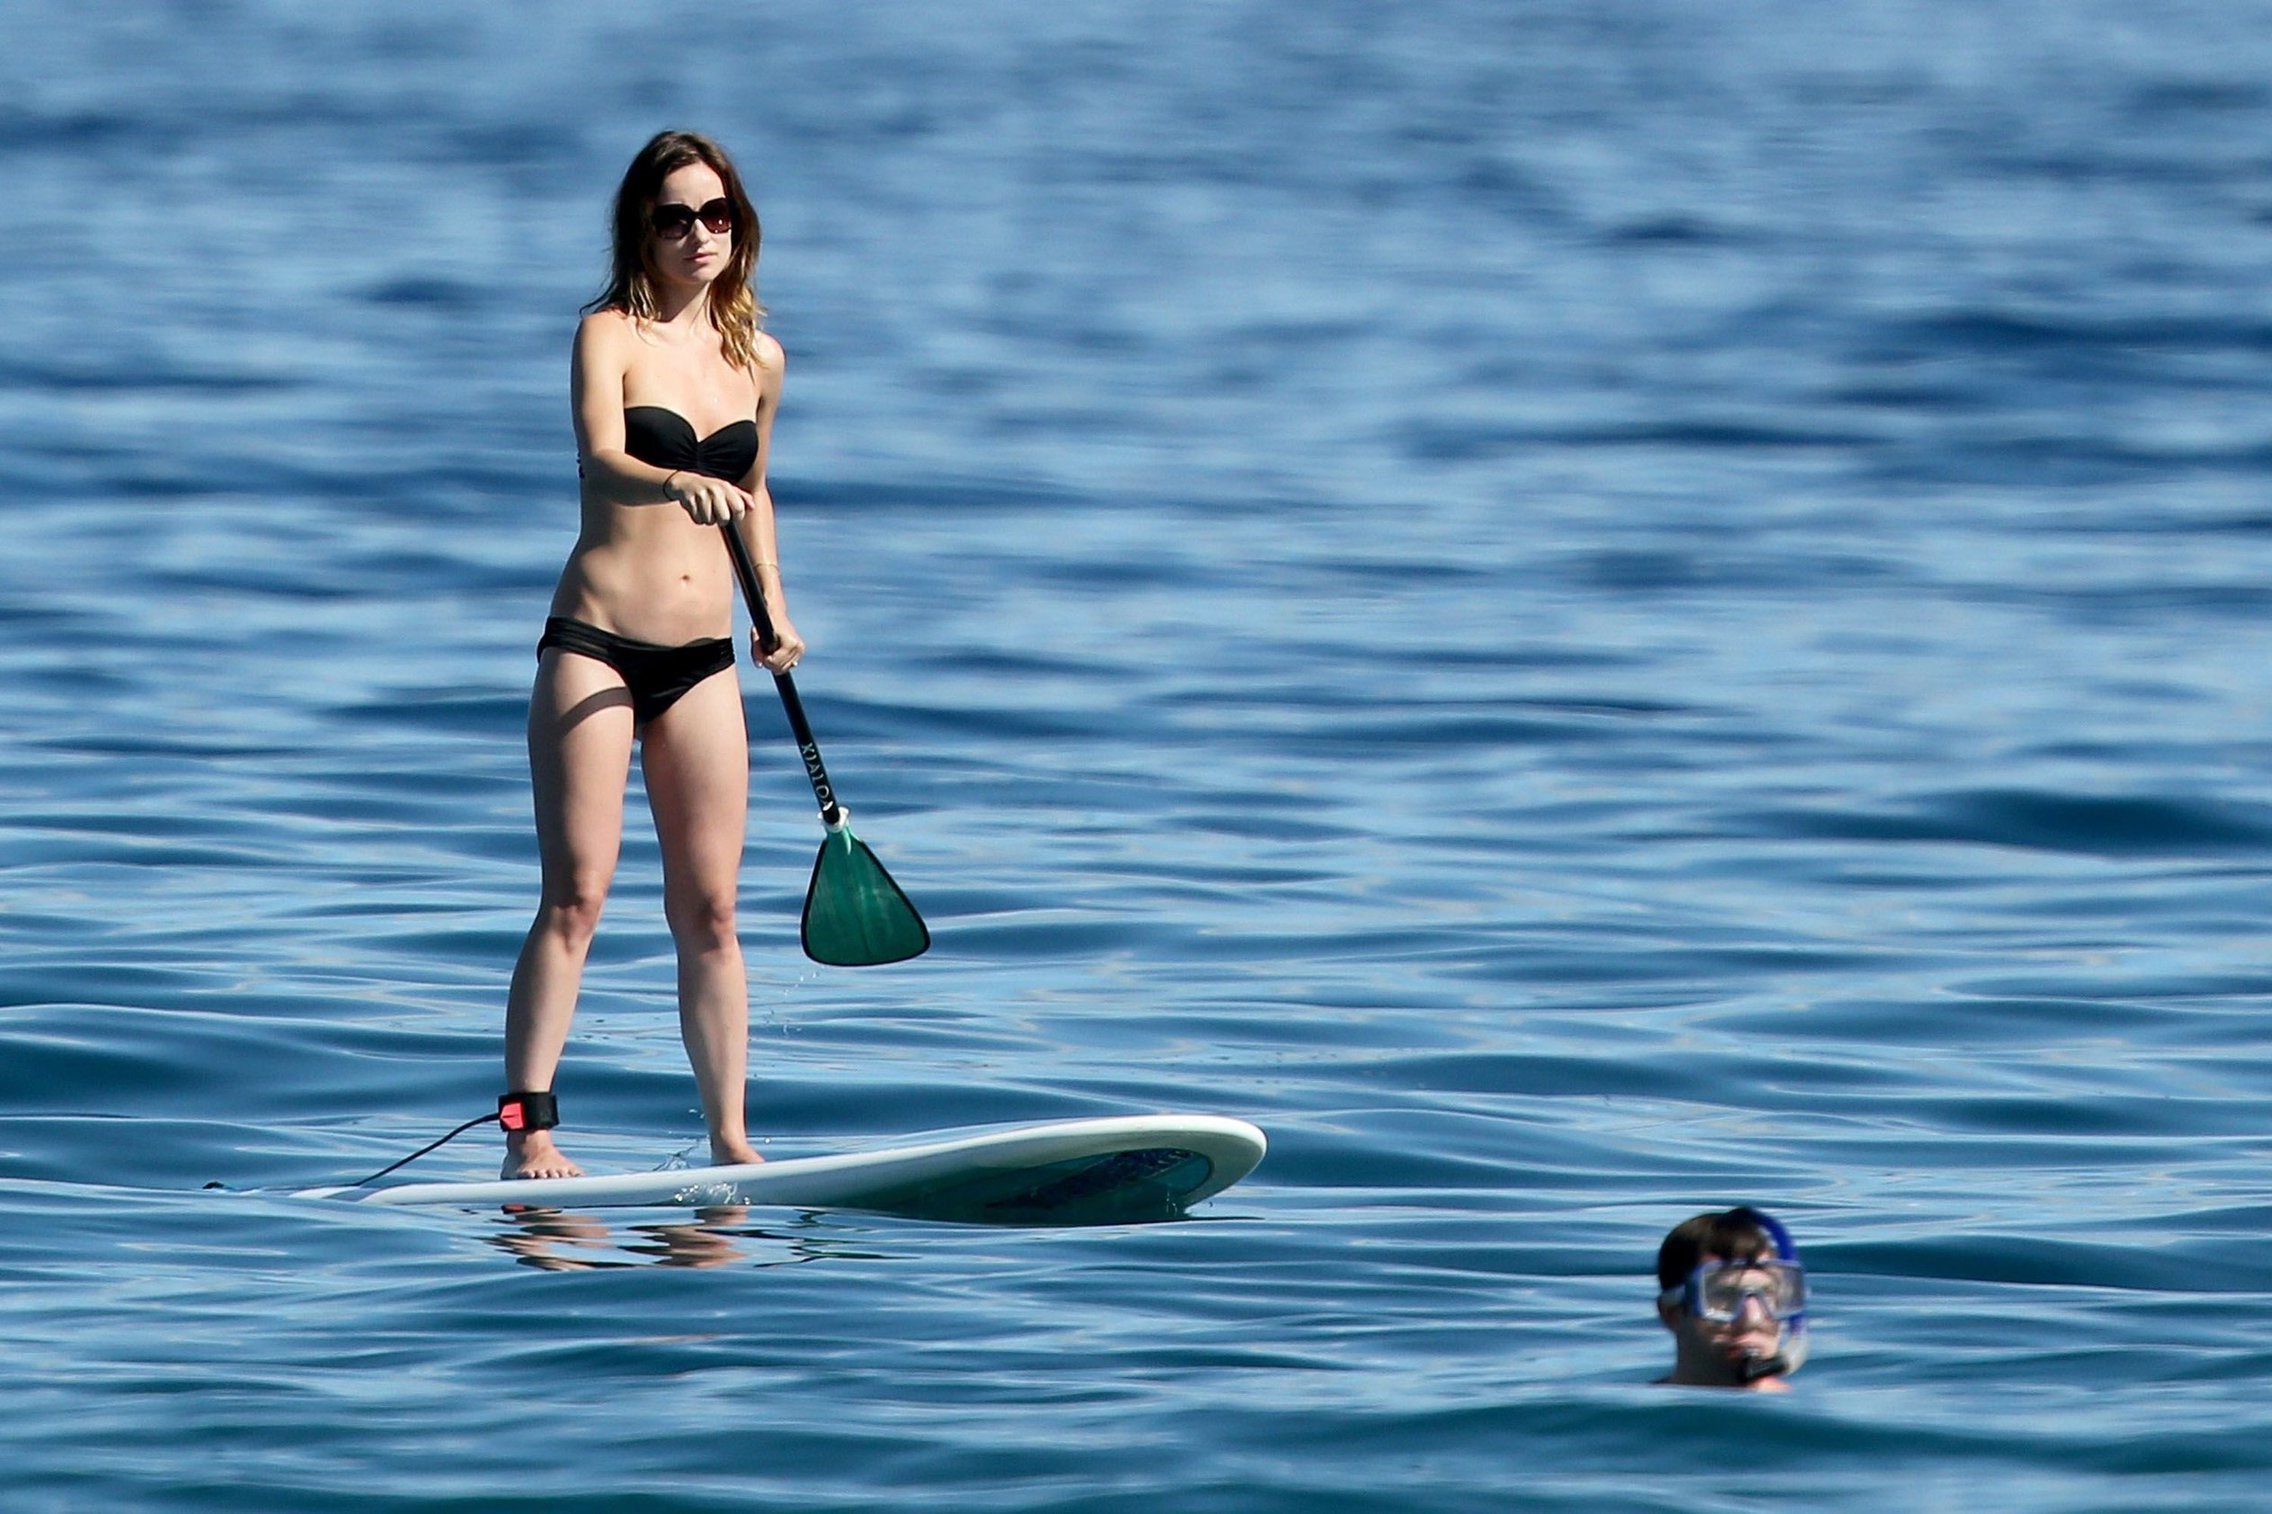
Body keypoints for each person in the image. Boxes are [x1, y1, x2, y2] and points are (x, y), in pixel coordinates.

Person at [499, 129, 804, 1180]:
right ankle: (529, 1127)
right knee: (577, 893)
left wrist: (773, 608)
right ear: (642, 227)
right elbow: (601, 454)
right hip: (595, 644)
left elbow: (755, 491)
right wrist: (674, 482)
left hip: (704, 659)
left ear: (738, 224)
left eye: (716, 214)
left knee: (712, 908)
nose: (698, 234)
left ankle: (728, 1134)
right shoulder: (608, 334)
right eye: (674, 216)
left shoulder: (756, 353)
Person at [1654, 1206, 1809, 1390]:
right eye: (1725, 1295)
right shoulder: (1640, 1414)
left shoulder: (1810, 1413)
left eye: (1767, 1293)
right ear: (1672, 1314)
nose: (1753, 1318)